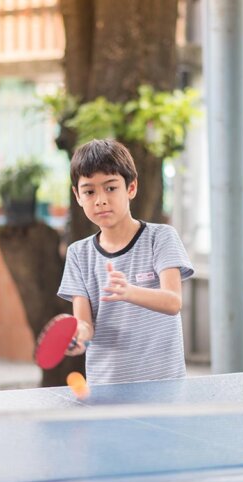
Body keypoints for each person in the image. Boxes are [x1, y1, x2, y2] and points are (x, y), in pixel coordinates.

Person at [57, 139, 194, 385]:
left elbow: (173, 302)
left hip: (164, 386)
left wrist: (129, 292)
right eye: (89, 191)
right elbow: (85, 324)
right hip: (106, 388)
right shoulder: (78, 254)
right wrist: (78, 337)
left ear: (131, 188)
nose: (100, 200)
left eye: (110, 188)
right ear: (77, 196)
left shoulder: (161, 238)